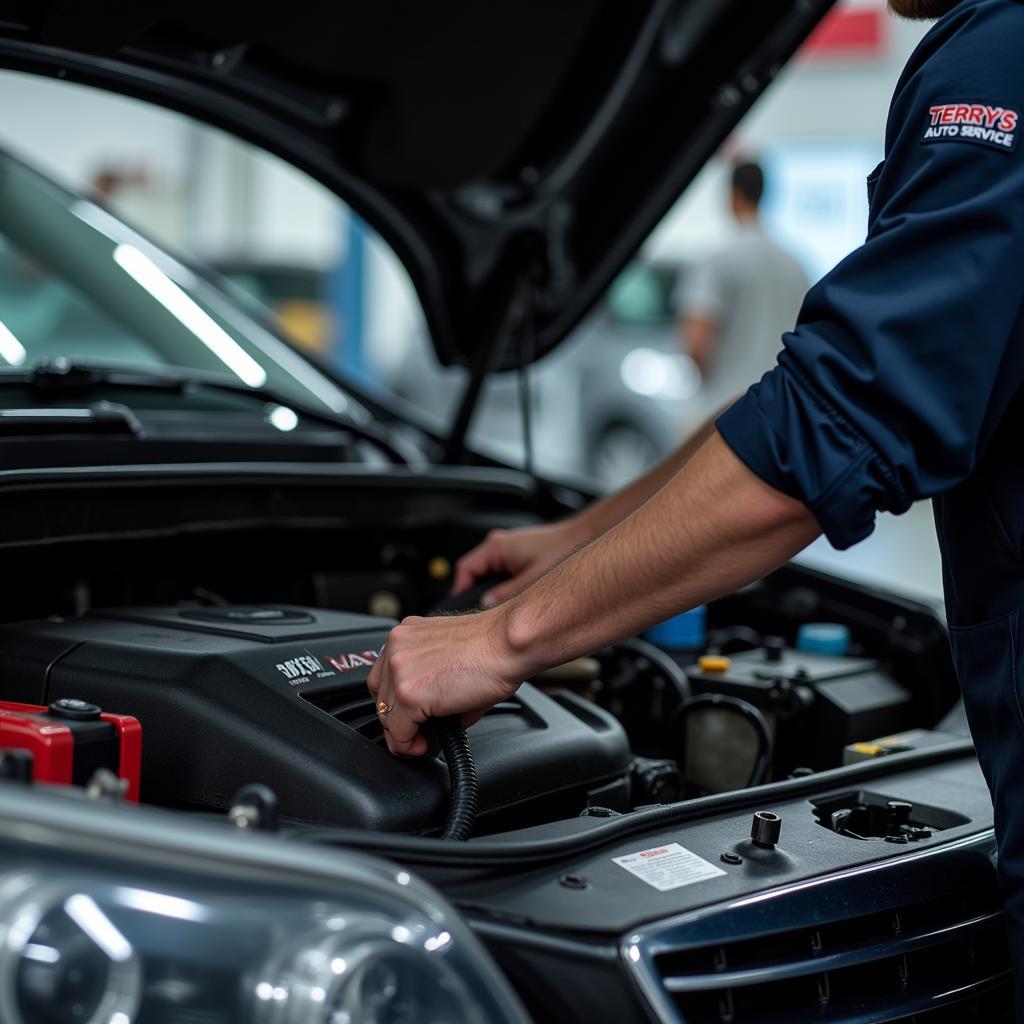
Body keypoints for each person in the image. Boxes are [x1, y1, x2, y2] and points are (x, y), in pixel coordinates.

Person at [368, 0, 1024, 1006]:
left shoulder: (1001, 56)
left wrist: (498, 641)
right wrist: (581, 541)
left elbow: (838, 426)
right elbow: (808, 393)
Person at [679, 159, 808, 415]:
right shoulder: (796, 267)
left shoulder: (718, 261)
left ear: (733, 196)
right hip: (781, 410)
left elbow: (695, 342)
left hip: (726, 410)